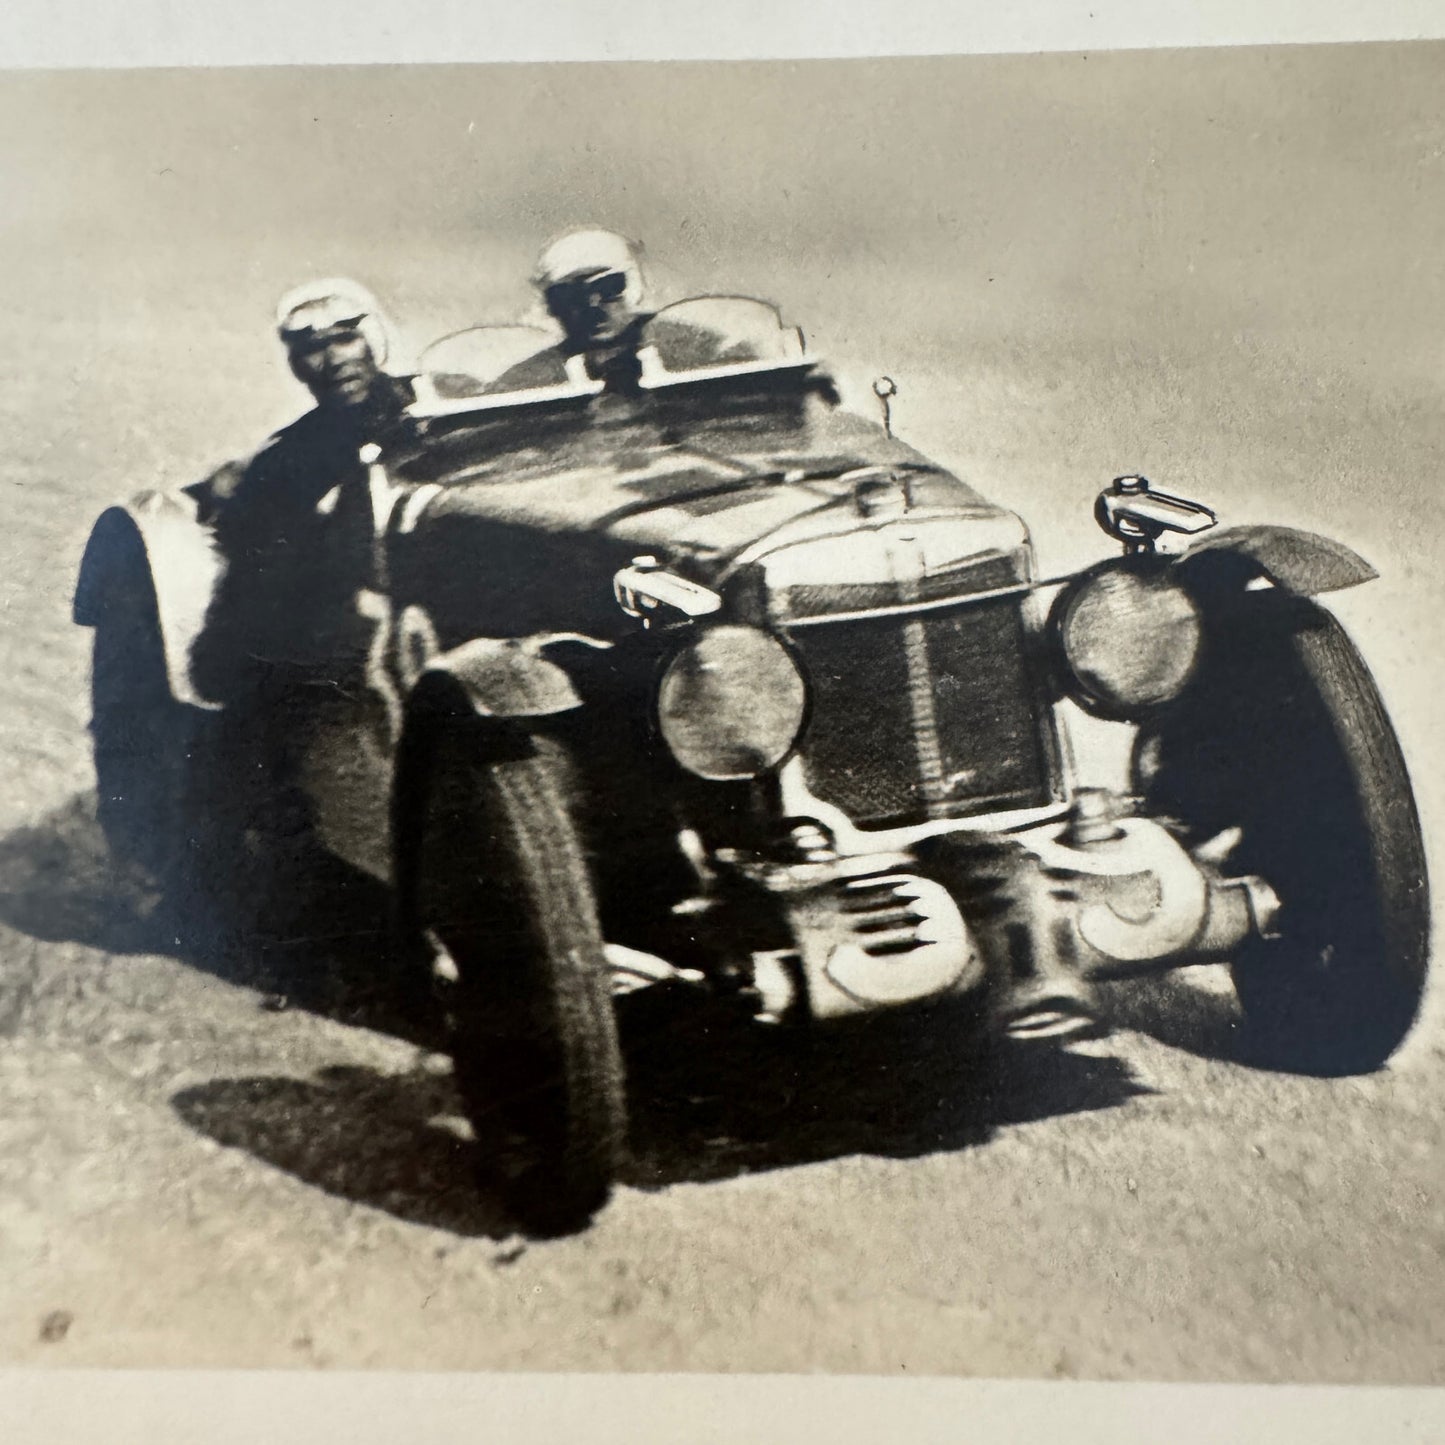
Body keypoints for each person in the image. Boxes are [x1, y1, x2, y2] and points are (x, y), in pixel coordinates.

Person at [191, 278, 417, 707]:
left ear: (373, 340)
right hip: (337, 636)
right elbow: (258, 573)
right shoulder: (286, 458)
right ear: (297, 364)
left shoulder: (432, 404)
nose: (333, 361)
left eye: (346, 339)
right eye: (313, 348)